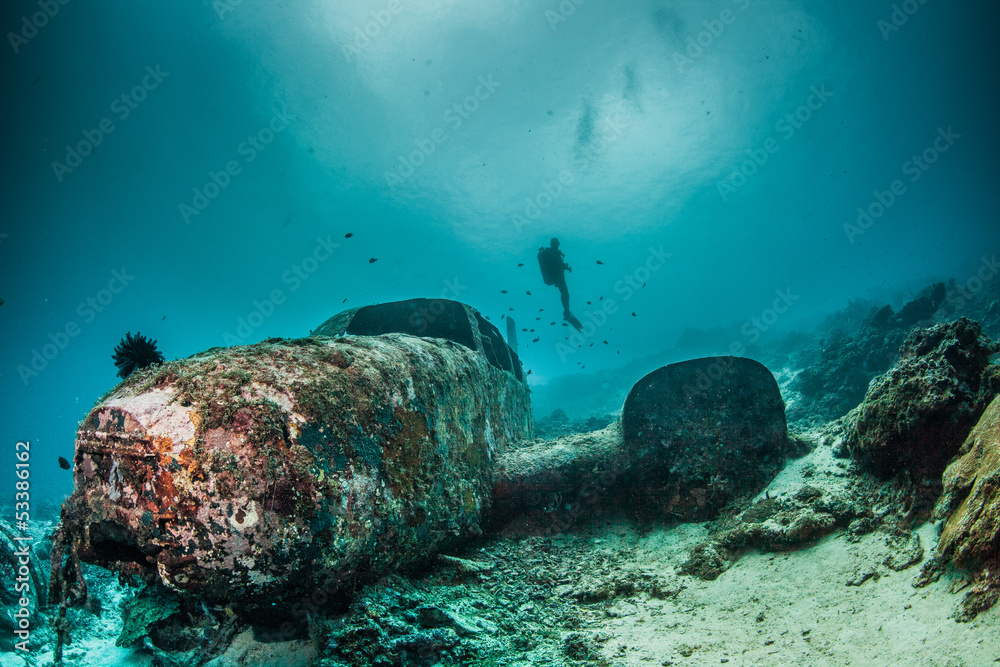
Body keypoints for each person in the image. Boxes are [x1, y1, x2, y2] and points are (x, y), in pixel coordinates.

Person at [538, 238, 583, 331]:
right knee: (565, 293)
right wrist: (562, 263)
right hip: (557, 276)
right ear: (552, 244)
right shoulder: (548, 252)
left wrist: (565, 266)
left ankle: (567, 311)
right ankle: (566, 312)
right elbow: (555, 261)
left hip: (559, 276)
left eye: (557, 243)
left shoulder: (555, 253)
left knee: (565, 294)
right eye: (555, 243)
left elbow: (559, 263)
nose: (556, 245)